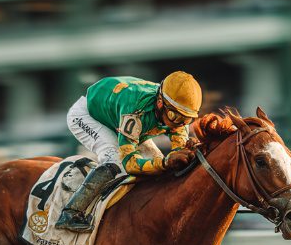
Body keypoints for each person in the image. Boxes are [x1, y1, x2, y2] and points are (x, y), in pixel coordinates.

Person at [55, 71, 200, 232]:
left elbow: (177, 153)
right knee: (116, 160)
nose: (178, 124)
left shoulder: (176, 114)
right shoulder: (136, 109)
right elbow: (130, 163)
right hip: (88, 115)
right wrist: (165, 162)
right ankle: (71, 213)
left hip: (119, 116)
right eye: (175, 116)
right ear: (160, 102)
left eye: (186, 120)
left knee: (158, 166)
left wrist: (184, 152)